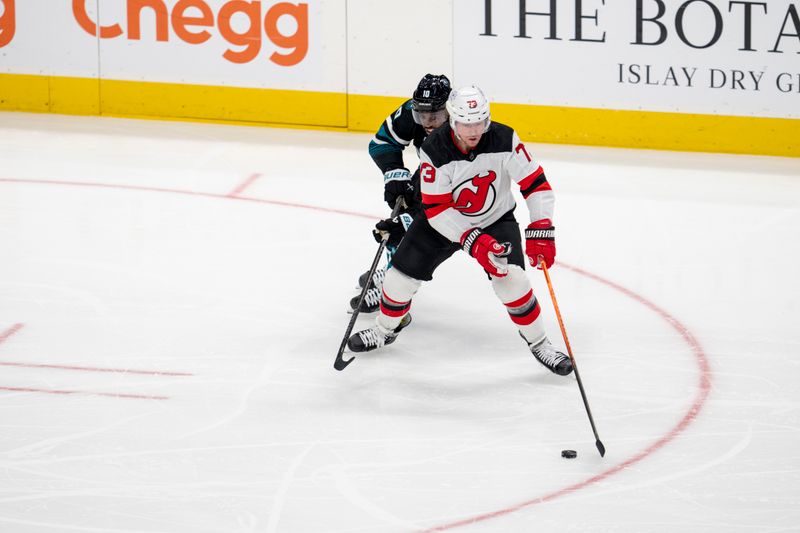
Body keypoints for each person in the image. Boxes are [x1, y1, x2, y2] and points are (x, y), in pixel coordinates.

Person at [347, 85, 573, 376]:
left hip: (495, 220)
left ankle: (540, 344)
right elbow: (437, 209)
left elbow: (536, 184)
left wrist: (542, 226)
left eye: (479, 121)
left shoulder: (505, 138)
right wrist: (472, 240)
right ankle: (384, 330)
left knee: (513, 282)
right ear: (453, 119)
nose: (474, 130)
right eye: (467, 123)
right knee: (397, 280)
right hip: (442, 224)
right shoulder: (434, 149)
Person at [350, 74, 452, 313]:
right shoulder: (412, 111)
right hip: (430, 175)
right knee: (398, 226)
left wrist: (412, 219)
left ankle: (394, 290)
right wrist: (394, 172)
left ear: (449, 111)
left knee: (414, 232)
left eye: (434, 116)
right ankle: (391, 276)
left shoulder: (463, 131)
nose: (427, 122)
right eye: (422, 116)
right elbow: (382, 143)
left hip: (461, 192)